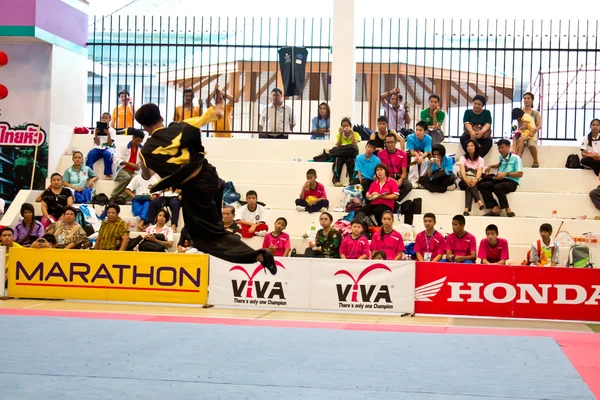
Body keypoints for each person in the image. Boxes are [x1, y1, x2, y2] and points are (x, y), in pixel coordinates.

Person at [135, 102, 277, 274]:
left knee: (204, 239)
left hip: (195, 189)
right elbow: (216, 112)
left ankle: (258, 255)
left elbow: (147, 174)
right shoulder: (181, 126)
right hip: (211, 177)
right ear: (161, 118)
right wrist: (218, 106)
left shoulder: (146, 151)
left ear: (143, 126)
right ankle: (223, 217)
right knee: (215, 227)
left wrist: (142, 160)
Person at [479, 139, 523, 217]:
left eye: (502, 147)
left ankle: (507, 208)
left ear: (508, 147)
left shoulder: (516, 158)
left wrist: (506, 174)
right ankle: (495, 207)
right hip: (500, 179)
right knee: (483, 185)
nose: (500, 150)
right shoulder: (501, 157)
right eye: (499, 148)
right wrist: (491, 166)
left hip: (511, 182)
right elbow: (500, 164)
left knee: (498, 187)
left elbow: (520, 173)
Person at [110, 129, 145, 204]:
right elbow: (116, 159)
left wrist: (139, 165)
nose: (138, 143)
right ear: (133, 138)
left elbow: (144, 161)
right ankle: (114, 196)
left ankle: (122, 197)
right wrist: (129, 164)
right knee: (127, 177)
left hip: (134, 171)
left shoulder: (142, 149)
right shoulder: (124, 146)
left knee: (135, 179)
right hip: (123, 169)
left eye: (140, 141)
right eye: (137, 140)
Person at [379, 133, 412, 202]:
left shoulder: (403, 154)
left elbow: (404, 171)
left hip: (398, 177)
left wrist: (401, 179)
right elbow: (380, 170)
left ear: (396, 142)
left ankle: (393, 200)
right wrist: (390, 179)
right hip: (386, 178)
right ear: (385, 143)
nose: (390, 144)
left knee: (408, 185)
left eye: (392, 142)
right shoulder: (381, 154)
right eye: (387, 142)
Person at [458, 139, 485, 216]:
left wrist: (476, 180)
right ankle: (479, 201)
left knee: (470, 186)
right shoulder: (463, 158)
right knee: (469, 185)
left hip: (475, 181)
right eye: (468, 146)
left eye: (471, 146)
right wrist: (466, 180)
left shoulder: (480, 159)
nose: (469, 147)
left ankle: (466, 209)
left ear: (475, 147)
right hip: (464, 180)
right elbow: (462, 171)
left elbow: (479, 171)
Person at [86, 112, 116, 179]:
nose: (104, 119)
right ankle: (89, 174)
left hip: (108, 148)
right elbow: (97, 143)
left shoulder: (112, 130)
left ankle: (108, 174)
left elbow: (109, 144)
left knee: (107, 154)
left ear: (109, 119)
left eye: (106, 118)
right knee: (90, 154)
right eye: (103, 118)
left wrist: (108, 133)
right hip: (98, 148)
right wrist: (96, 134)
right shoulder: (96, 129)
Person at [332, 117, 360, 187]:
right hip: (342, 154)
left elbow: (354, 144)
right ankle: (337, 180)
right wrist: (341, 134)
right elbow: (338, 145)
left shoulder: (355, 134)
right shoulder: (339, 134)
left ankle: (352, 180)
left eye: (347, 126)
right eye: (343, 126)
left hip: (351, 154)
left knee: (352, 160)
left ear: (350, 126)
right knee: (338, 159)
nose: (345, 127)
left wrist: (352, 133)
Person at [406, 121, 432, 188]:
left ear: (425, 132)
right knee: (413, 160)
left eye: (420, 130)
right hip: (413, 154)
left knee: (426, 160)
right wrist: (416, 156)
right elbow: (411, 151)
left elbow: (427, 152)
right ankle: (413, 181)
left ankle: (421, 180)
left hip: (423, 154)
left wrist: (422, 157)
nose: (418, 132)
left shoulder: (429, 138)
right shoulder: (410, 137)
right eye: (417, 130)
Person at [521, 92, 541, 168]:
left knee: (531, 143)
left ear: (532, 100)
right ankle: (517, 161)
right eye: (525, 98)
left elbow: (539, 125)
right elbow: (520, 124)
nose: (526, 100)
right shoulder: (520, 112)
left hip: (533, 134)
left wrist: (534, 130)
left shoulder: (535, 113)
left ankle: (535, 161)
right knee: (521, 141)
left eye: (528, 98)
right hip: (523, 132)